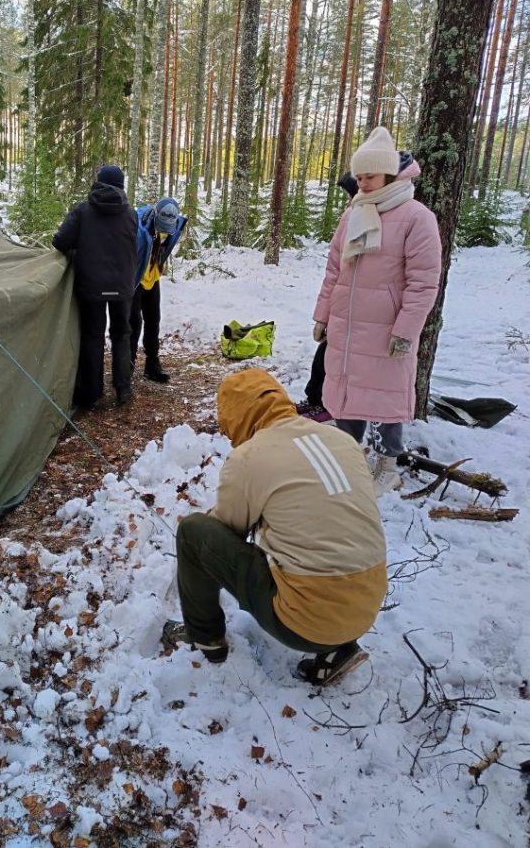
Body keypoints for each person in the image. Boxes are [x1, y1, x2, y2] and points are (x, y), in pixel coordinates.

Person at [162, 368, 387, 687]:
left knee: (193, 532)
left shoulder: (251, 456)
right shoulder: (339, 439)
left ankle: (205, 640)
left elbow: (222, 533)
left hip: (304, 623)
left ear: (237, 417)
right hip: (366, 606)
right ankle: (339, 648)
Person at [312, 127, 442, 494]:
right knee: (346, 388)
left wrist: (406, 331)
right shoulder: (354, 213)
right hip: (348, 322)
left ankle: (388, 463)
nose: (362, 183)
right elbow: (335, 270)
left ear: (388, 173)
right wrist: (323, 315)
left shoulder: (417, 217)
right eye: (359, 176)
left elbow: (423, 283)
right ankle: (348, 453)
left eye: (369, 176)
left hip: (387, 327)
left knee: (385, 394)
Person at [52, 164, 137, 409]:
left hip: (91, 286)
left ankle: (91, 394)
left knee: (93, 337)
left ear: (98, 182)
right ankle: (123, 388)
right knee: (122, 334)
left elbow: (60, 241)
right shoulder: (130, 213)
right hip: (122, 286)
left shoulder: (83, 211)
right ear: (121, 185)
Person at [297, 172, 359, 421]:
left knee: (337, 361)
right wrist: (323, 316)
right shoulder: (350, 217)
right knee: (325, 353)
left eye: (349, 196)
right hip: (341, 305)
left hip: (360, 312)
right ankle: (316, 399)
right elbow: (334, 269)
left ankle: (326, 404)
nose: (347, 202)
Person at [131, 197, 188, 383]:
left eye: (167, 228)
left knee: (153, 320)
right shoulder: (139, 229)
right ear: (155, 215)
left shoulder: (174, 224)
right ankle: (127, 365)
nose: (164, 231)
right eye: (161, 226)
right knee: (134, 324)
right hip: (136, 280)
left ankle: (152, 365)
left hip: (153, 278)